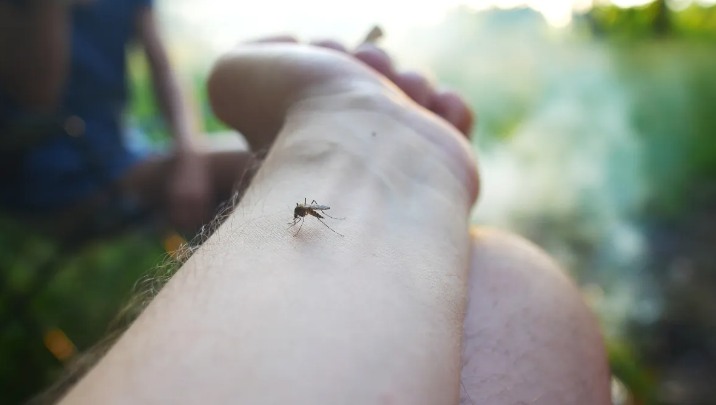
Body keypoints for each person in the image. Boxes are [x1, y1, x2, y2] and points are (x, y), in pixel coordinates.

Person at [30, 37, 612, 405]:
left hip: (127, 153)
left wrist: (186, 155)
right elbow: (36, 92)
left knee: (511, 274)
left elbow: (161, 71)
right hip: (51, 162)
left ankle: (354, 146)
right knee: (512, 276)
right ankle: (358, 140)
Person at [0, 0, 245, 236]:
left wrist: (190, 159)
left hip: (120, 154)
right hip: (57, 174)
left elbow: (165, 74)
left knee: (256, 177)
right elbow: (37, 99)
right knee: (256, 163)